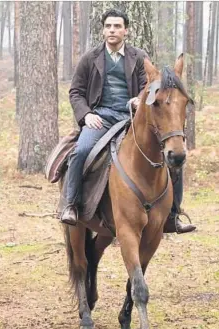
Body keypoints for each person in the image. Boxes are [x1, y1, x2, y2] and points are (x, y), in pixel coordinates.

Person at [61, 9, 196, 234]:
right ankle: (71, 205)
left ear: (126, 30)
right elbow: (76, 91)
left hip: (131, 118)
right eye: (108, 26)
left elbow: (151, 86)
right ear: (103, 30)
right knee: (80, 151)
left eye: (117, 26)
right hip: (100, 118)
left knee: (173, 156)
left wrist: (139, 99)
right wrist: (86, 116)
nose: (112, 30)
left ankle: (173, 215)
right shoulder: (90, 58)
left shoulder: (139, 57)